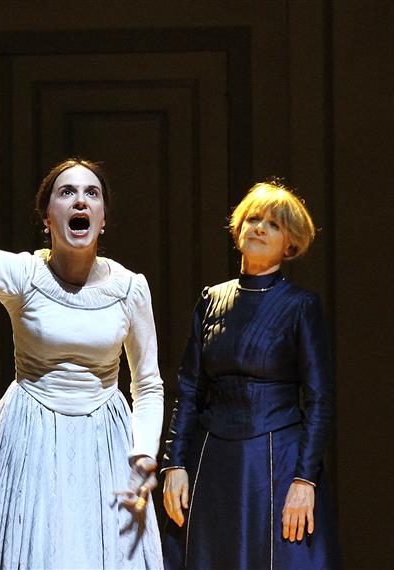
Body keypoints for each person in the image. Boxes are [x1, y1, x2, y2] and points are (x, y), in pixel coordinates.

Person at [0, 80, 164, 569]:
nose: (80, 201)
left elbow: (147, 384)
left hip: (106, 442)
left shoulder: (130, 288)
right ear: (47, 217)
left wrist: (144, 454)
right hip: (31, 434)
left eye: (91, 194)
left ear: (103, 219)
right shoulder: (23, 275)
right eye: (67, 193)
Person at [160, 181, 341, 569]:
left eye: (274, 225)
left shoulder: (301, 306)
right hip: (211, 460)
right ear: (238, 228)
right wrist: (174, 464)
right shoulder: (211, 299)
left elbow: (320, 401)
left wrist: (305, 480)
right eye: (253, 219)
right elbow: (189, 391)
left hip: (276, 466)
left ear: (290, 244)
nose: (259, 228)